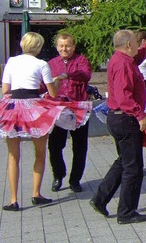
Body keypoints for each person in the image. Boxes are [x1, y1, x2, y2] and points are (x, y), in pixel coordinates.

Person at [0, 32, 91, 211]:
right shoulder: (42, 64)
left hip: (13, 106)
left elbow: (5, 90)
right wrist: (56, 83)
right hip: (34, 106)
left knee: (13, 155)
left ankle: (13, 199)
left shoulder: (12, 61)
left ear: (22, 45)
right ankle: (35, 194)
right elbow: (52, 93)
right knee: (40, 152)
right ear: (38, 47)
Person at [90, 26, 146, 224]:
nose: (139, 45)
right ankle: (126, 212)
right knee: (133, 168)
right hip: (125, 118)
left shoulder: (123, 59)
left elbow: (145, 52)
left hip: (119, 118)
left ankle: (100, 199)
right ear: (128, 44)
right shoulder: (124, 64)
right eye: (136, 42)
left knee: (124, 161)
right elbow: (123, 95)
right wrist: (140, 115)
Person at [47, 33, 92, 193]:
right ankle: (58, 175)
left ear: (73, 46)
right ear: (57, 47)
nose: (64, 49)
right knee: (54, 145)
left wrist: (68, 75)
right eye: (61, 46)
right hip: (58, 109)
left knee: (80, 147)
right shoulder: (51, 63)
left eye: (67, 46)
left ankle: (75, 180)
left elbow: (86, 74)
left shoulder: (81, 61)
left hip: (78, 107)